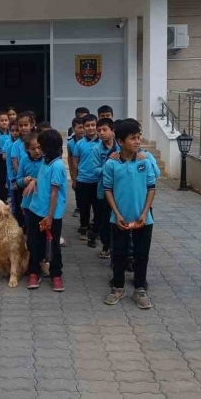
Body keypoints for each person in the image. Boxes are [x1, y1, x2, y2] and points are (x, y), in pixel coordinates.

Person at [103, 120, 157, 309]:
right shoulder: (111, 163)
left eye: (138, 137)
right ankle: (118, 287)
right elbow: (108, 189)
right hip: (118, 219)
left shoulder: (145, 161)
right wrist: (116, 214)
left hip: (143, 219)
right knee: (119, 255)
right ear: (120, 141)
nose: (137, 141)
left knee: (142, 255)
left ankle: (140, 289)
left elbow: (151, 188)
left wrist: (144, 213)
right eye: (133, 138)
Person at [24, 129, 67, 292]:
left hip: (51, 215)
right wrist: (33, 182)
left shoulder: (57, 166)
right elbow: (43, 181)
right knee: (34, 243)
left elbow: (54, 193)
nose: (38, 148)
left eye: (41, 145)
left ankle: (56, 275)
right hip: (36, 210)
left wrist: (49, 217)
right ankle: (34, 272)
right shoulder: (45, 161)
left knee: (54, 244)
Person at [91, 117, 120, 256]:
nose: (101, 133)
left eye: (104, 130)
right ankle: (106, 245)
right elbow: (96, 170)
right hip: (103, 190)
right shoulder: (97, 149)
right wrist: (109, 164)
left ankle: (120, 248)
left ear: (112, 131)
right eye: (99, 130)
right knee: (105, 220)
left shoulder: (120, 147)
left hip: (120, 191)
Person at [71, 114, 101, 241]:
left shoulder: (102, 143)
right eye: (87, 126)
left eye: (93, 125)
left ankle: (97, 229)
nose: (90, 128)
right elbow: (75, 163)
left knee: (98, 207)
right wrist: (74, 179)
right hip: (83, 180)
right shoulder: (79, 144)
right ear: (83, 128)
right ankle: (84, 227)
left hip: (98, 181)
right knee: (84, 207)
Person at [10, 113, 36, 226]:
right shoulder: (16, 144)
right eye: (21, 125)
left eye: (26, 124)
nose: (23, 128)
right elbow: (15, 162)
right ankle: (25, 229)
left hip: (38, 180)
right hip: (23, 181)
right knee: (24, 207)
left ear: (32, 124)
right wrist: (20, 178)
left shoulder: (38, 140)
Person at [16, 133, 43, 239]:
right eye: (33, 149)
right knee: (31, 230)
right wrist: (24, 180)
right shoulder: (24, 161)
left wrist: (35, 181)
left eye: (39, 148)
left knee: (42, 230)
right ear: (27, 149)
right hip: (28, 202)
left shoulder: (47, 161)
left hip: (42, 201)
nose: (37, 151)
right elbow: (18, 180)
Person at [67, 117, 85, 217]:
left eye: (83, 127)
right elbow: (70, 158)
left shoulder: (90, 142)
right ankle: (78, 207)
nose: (82, 130)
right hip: (76, 170)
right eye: (79, 127)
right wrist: (72, 172)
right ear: (73, 129)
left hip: (86, 171)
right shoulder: (70, 143)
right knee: (77, 190)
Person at [5, 120, 21, 220]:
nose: (15, 133)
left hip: (25, 179)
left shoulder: (27, 145)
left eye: (17, 130)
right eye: (12, 130)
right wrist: (13, 180)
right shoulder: (10, 146)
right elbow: (9, 166)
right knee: (15, 204)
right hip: (14, 180)